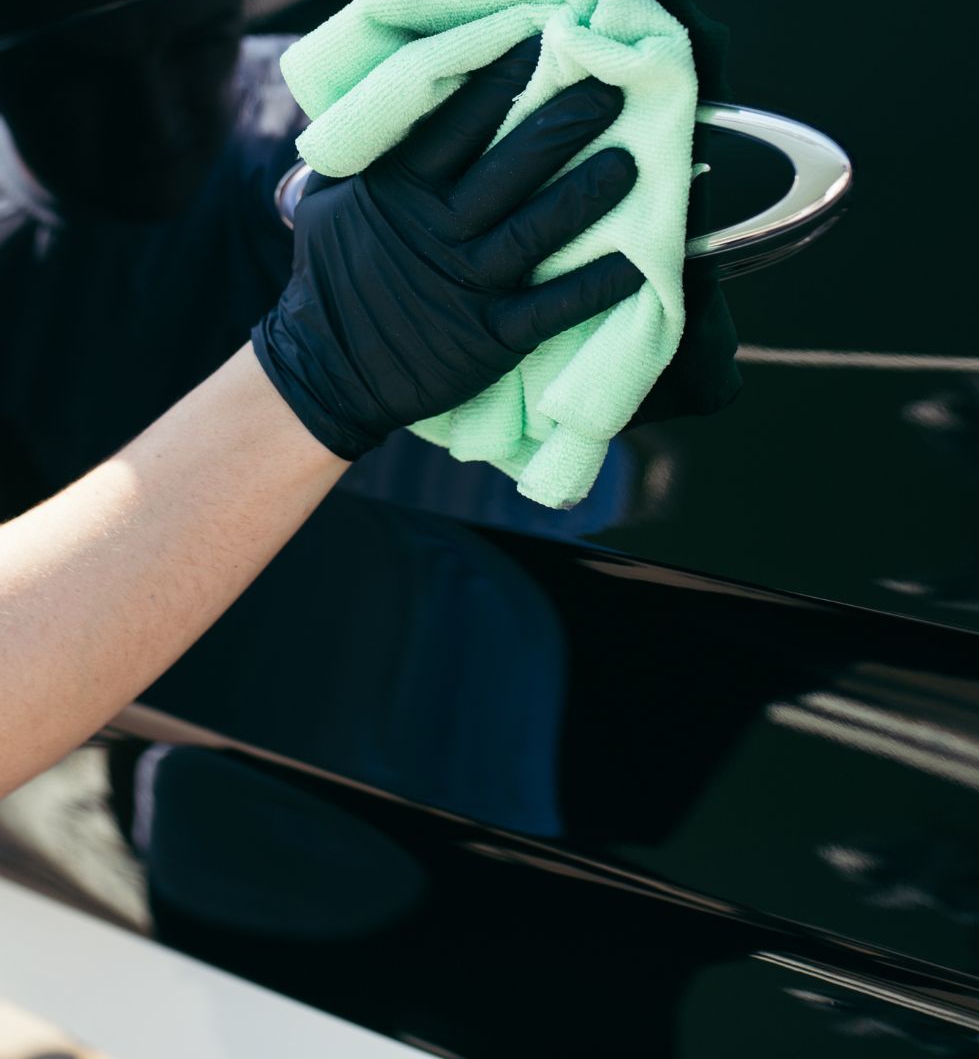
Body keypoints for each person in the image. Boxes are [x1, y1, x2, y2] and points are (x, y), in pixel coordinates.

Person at [0, 41, 642, 799]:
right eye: (82, 64)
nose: (159, 111)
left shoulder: (343, 107)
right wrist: (310, 382)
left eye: (200, 31)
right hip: (222, 812)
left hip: (484, 728)